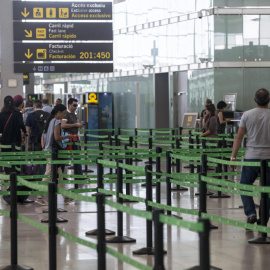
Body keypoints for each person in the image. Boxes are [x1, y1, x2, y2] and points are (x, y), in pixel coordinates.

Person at [230, 88, 270, 226]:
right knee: (267, 190)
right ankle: (263, 220)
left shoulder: (247, 115)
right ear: (269, 100)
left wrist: (233, 157)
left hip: (251, 157)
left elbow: (239, 137)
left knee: (245, 185)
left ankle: (251, 212)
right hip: (269, 159)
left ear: (254, 100)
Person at [36, 104, 75, 205]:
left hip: (47, 150)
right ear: (58, 112)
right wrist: (68, 137)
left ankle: (65, 197)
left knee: (59, 174)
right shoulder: (57, 122)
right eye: (64, 113)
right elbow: (57, 137)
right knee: (49, 172)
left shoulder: (49, 121)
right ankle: (40, 196)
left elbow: (43, 136)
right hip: (52, 152)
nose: (64, 115)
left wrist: (44, 147)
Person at [0, 96, 28, 204]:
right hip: (15, 145)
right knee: (15, 166)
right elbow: (22, 126)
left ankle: (9, 188)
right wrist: (25, 132)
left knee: (7, 165)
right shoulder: (17, 114)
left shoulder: (1, 114)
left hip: (5, 144)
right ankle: (14, 189)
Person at [61, 98, 84, 177]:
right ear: (69, 105)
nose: (76, 107)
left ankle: (79, 175)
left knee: (77, 157)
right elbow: (63, 125)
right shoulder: (66, 114)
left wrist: (78, 125)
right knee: (65, 158)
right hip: (68, 138)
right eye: (74, 105)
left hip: (75, 137)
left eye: (76, 105)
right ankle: (61, 176)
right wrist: (75, 125)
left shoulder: (73, 114)